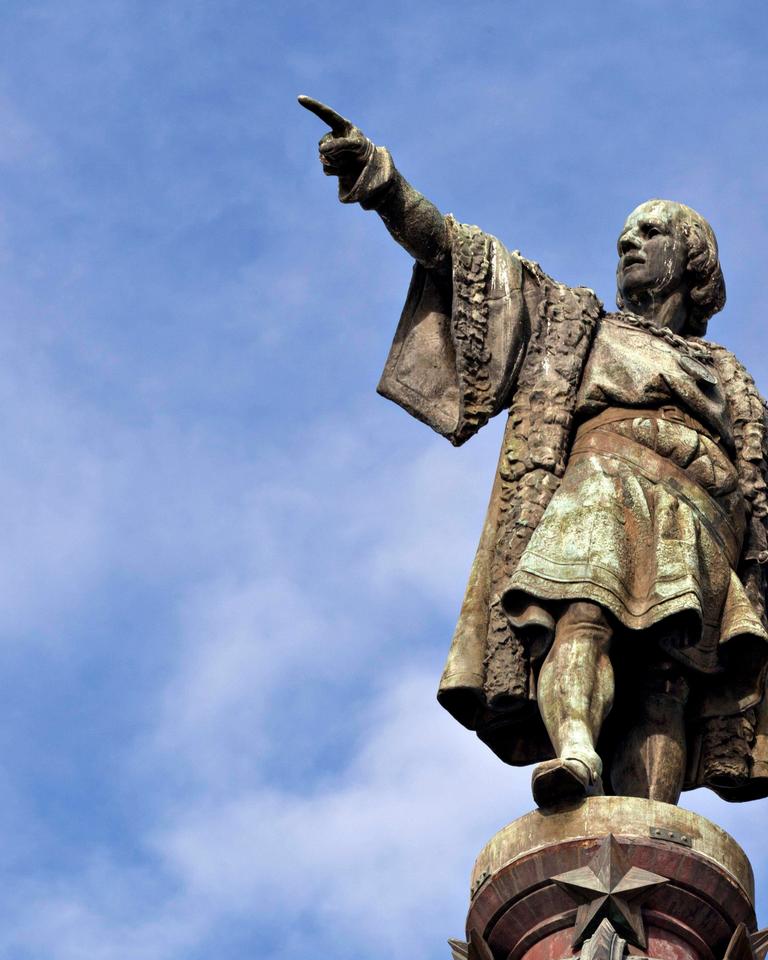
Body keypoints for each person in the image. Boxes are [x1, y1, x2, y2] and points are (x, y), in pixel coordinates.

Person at [300, 95, 768, 807]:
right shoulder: (573, 322)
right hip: (604, 482)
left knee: (667, 679)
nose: (629, 245)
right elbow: (464, 259)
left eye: (648, 232)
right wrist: (386, 188)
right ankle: (576, 752)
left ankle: (649, 819)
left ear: (691, 258)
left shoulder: (732, 379)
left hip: (703, 515)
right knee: (581, 615)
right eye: (622, 239)